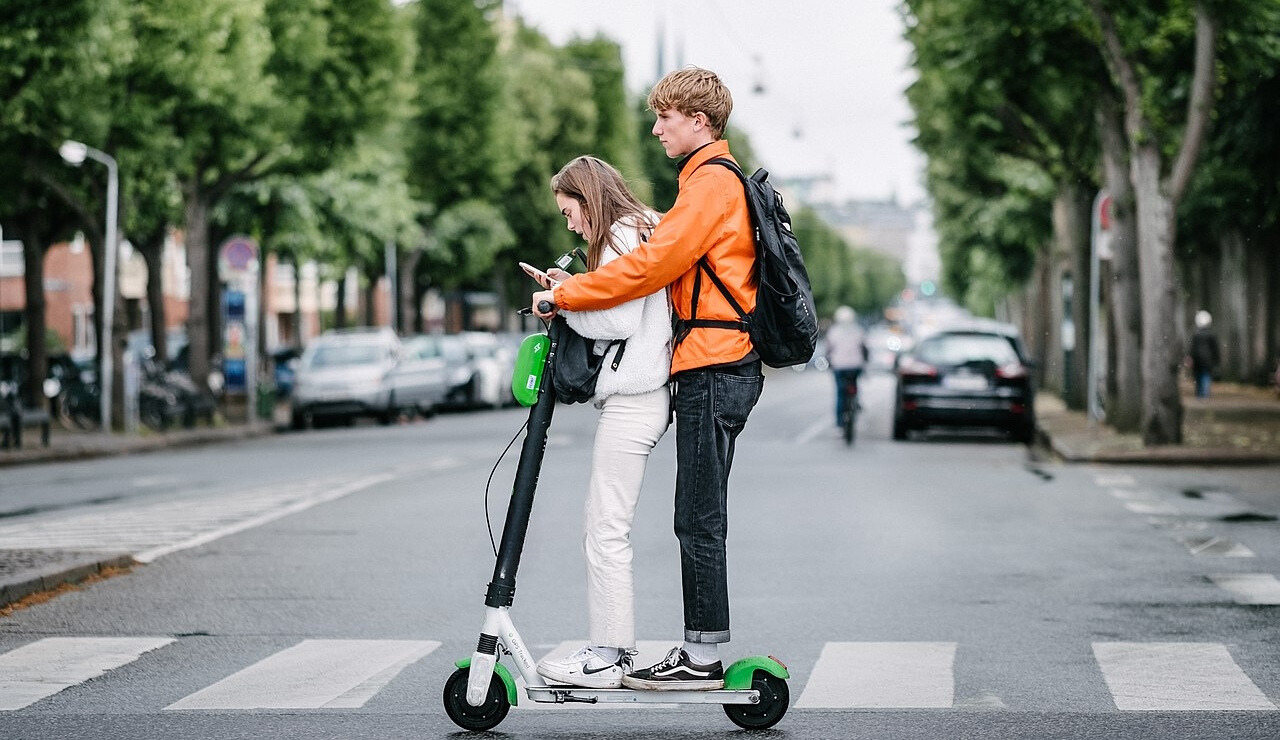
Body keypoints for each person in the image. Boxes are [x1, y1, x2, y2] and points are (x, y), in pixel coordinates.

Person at [533, 66, 759, 691]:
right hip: (704, 365)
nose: (656, 128)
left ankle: (701, 657)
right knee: (694, 514)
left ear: (699, 119)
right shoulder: (698, 186)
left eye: (666, 116)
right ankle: (696, 651)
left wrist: (569, 294)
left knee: (699, 517)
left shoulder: (711, 184)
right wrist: (573, 292)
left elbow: (650, 270)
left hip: (715, 362)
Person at [531, 156, 671, 690]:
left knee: (605, 528)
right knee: (608, 525)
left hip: (634, 395)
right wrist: (574, 288)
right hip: (647, 392)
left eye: (570, 211)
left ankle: (608, 656)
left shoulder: (619, 233)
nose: (569, 224)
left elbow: (617, 318)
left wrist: (560, 301)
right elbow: (617, 301)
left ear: (589, 198)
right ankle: (613, 648)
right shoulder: (644, 226)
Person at [825, 306, 867, 426]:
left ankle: (839, 423)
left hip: (839, 366)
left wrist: (829, 362)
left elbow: (828, 350)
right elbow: (864, 349)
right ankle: (856, 401)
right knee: (854, 385)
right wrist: (864, 361)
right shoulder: (858, 331)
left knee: (840, 393)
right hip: (855, 366)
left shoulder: (833, 332)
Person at [1189, 309, 1220, 398]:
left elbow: (1192, 348)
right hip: (1207, 361)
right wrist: (1216, 361)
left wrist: (1191, 357)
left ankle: (1199, 394)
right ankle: (1205, 394)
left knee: (1199, 377)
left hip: (1197, 360)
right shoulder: (1211, 335)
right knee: (1205, 376)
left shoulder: (1196, 334)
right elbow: (1215, 349)